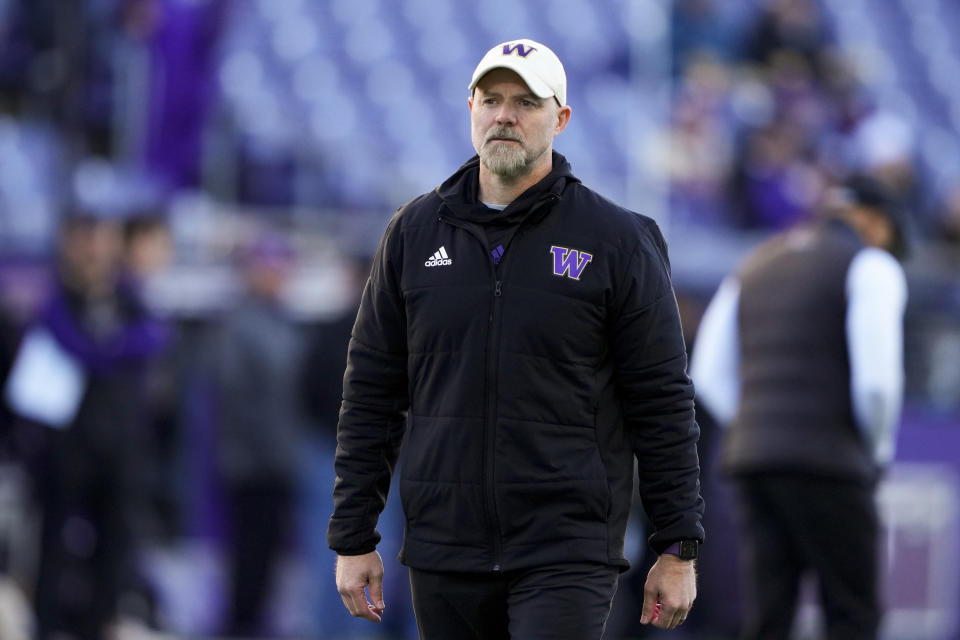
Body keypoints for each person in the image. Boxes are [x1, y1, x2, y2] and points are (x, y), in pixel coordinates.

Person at [327, 38, 705, 639]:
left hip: (567, 546)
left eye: (526, 102)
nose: (504, 115)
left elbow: (661, 401)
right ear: (470, 109)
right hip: (444, 544)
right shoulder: (413, 234)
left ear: (561, 119)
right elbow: (372, 392)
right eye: (491, 99)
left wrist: (677, 545)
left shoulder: (617, 241)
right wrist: (353, 536)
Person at [690, 175, 908, 640]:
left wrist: (757, 425)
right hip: (832, 463)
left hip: (752, 463)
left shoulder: (754, 264)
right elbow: (877, 384)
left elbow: (707, 372)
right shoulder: (871, 265)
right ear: (874, 221)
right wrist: (875, 449)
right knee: (851, 612)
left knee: (769, 614)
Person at [9, 212, 170, 640]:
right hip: (65, 449)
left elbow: (154, 338)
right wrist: (109, 350)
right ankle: (46, 626)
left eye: (100, 241)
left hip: (121, 446)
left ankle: (98, 625)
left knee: (114, 547)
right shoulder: (57, 299)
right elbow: (70, 342)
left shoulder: (128, 298)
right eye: (84, 241)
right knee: (53, 545)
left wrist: (103, 349)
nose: (93, 251)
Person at [212, 229, 307, 637]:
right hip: (250, 461)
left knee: (271, 552)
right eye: (267, 267)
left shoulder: (286, 321)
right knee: (248, 551)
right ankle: (240, 623)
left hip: (282, 458)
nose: (275, 275)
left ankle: (258, 620)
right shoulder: (239, 324)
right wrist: (269, 448)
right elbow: (235, 397)